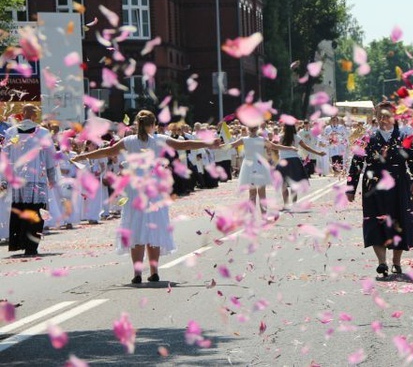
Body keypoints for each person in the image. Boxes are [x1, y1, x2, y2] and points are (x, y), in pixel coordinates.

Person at [72, 110, 219, 284]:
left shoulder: (128, 141)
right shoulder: (160, 139)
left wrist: (84, 155)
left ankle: (137, 273)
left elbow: (107, 151)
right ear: (153, 124)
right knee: (153, 226)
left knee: (135, 227)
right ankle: (154, 270)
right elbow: (184, 145)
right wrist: (208, 142)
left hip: (135, 187)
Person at [347, 104, 413, 277]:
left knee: (399, 221)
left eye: (387, 115)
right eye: (380, 115)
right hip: (373, 186)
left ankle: (396, 261)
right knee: (375, 222)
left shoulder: (404, 136)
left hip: (399, 185)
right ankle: (382, 262)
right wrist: (351, 188)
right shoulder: (366, 138)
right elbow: (356, 164)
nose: (383, 119)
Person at [3, 104, 58, 256]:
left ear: (22, 114)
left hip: (17, 180)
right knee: (36, 212)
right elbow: (50, 158)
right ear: (34, 115)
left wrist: (5, 179)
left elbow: (5, 157)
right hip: (37, 179)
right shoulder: (43, 133)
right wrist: (52, 177)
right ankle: (31, 246)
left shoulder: (11, 132)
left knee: (20, 209)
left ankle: (19, 243)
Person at [230, 125, 296, 212]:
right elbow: (275, 146)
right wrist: (290, 148)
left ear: (247, 129)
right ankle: (264, 215)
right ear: (257, 129)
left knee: (252, 193)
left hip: (248, 166)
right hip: (260, 165)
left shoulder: (244, 139)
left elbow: (230, 145)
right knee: (262, 193)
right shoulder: (261, 139)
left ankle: (252, 216)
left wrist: (216, 146)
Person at [276, 124, 325, 209]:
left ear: (284, 128)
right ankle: (294, 204)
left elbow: (273, 146)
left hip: (283, 161)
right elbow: (306, 147)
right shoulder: (296, 137)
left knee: (283, 184)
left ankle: (286, 205)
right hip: (294, 161)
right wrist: (318, 153)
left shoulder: (280, 137)